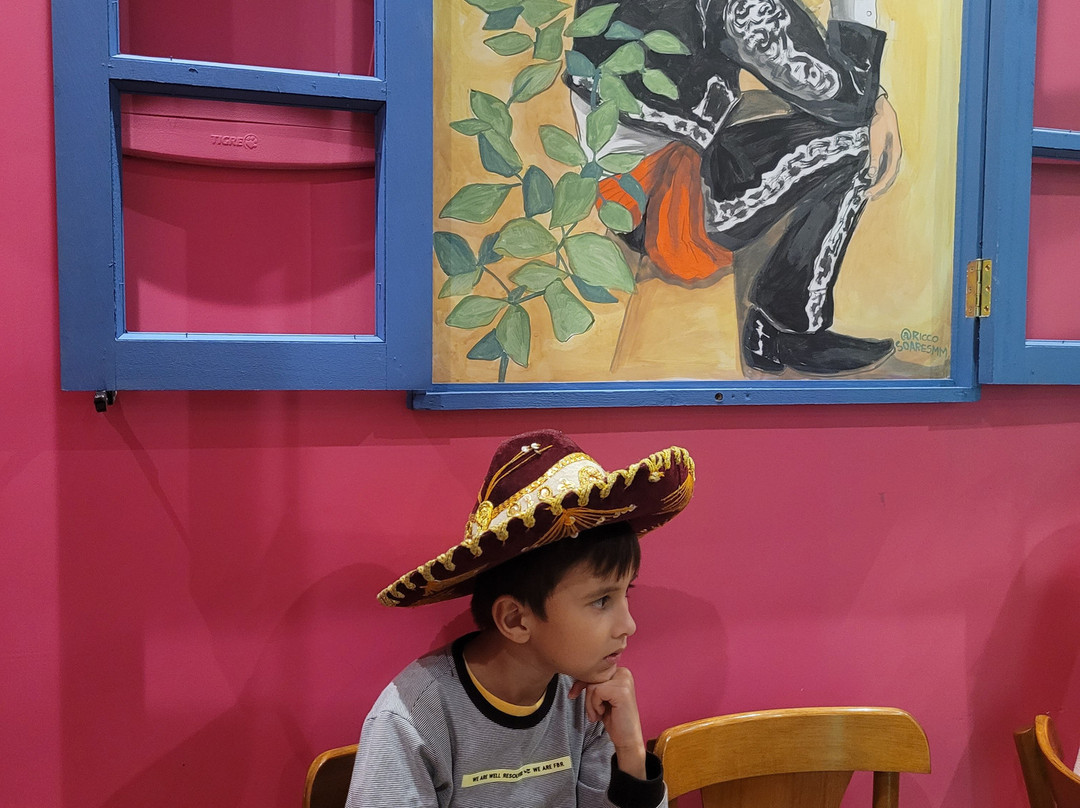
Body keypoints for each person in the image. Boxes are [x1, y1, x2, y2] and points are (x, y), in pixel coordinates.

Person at [345, 429, 695, 807]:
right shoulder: (414, 718)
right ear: (515, 620)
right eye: (601, 601)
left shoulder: (590, 700)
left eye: (626, 593)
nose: (629, 625)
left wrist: (630, 751)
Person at [569, 0, 903, 376]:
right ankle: (787, 329)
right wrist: (875, 99)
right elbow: (842, 95)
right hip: (668, 211)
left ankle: (779, 326)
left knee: (825, 120)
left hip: (623, 189)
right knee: (859, 140)